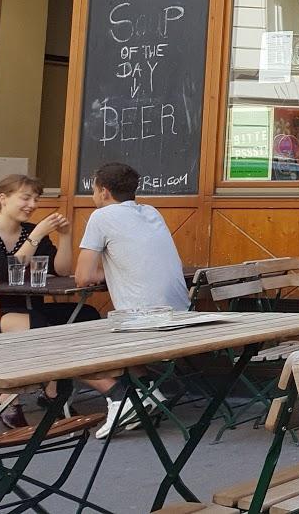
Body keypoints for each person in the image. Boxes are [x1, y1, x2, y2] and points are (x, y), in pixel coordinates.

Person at [76, 162, 189, 438]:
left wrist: (107, 270)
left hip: (144, 321)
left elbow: (82, 277)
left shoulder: (101, 218)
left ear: (103, 191)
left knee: (66, 350)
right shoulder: (151, 212)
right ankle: (150, 394)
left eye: (93, 189)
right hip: (182, 315)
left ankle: (120, 397)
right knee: (120, 334)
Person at [0, 174, 99, 428]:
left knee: (86, 314)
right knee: (40, 326)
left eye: (36, 199)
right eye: (25, 197)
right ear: (3, 199)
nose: (32, 204)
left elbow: (60, 270)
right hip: (5, 313)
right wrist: (38, 233)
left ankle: (52, 390)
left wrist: (65, 236)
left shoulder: (30, 231)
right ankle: (25, 397)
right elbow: (5, 275)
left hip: (34, 309)